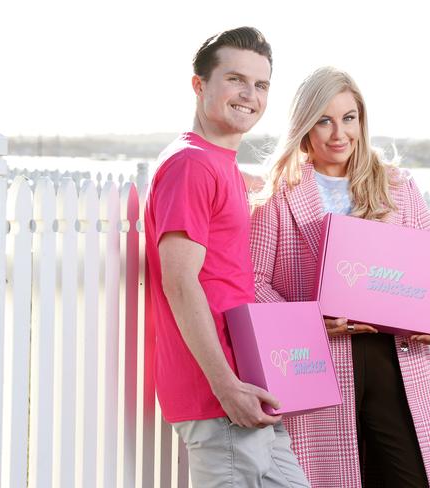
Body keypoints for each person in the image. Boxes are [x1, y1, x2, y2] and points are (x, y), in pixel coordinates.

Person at [250, 66, 430, 487]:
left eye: (349, 118)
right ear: (305, 125)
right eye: (324, 119)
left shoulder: (396, 186)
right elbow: (255, 279)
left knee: (412, 478)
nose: (339, 133)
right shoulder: (279, 193)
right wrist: (308, 323)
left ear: (362, 121)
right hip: (321, 361)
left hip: (397, 356)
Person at [144, 27, 309, 487]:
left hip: (249, 387)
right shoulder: (191, 165)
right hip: (220, 397)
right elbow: (180, 281)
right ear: (199, 85)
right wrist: (226, 386)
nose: (250, 95)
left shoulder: (220, 166)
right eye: (235, 79)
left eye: (261, 85)